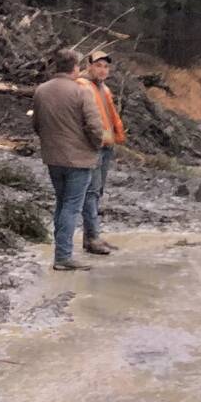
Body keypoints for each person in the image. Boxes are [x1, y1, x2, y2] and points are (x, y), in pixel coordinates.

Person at [33, 49, 111, 271]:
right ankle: (63, 257)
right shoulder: (81, 92)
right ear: (75, 67)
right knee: (71, 206)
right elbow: (95, 127)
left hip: (52, 158)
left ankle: (62, 252)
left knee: (61, 203)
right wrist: (95, 146)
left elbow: (37, 125)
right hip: (78, 159)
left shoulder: (41, 90)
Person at [80, 50, 127, 255]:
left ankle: (91, 236)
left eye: (106, 66)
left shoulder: (103, 88)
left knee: (96, 192)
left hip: (106, 145)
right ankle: (93, 237)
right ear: (89, 66)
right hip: (93, 146)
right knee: (91, 192)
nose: (103, 70)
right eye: (98, 65)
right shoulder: (83, 87)